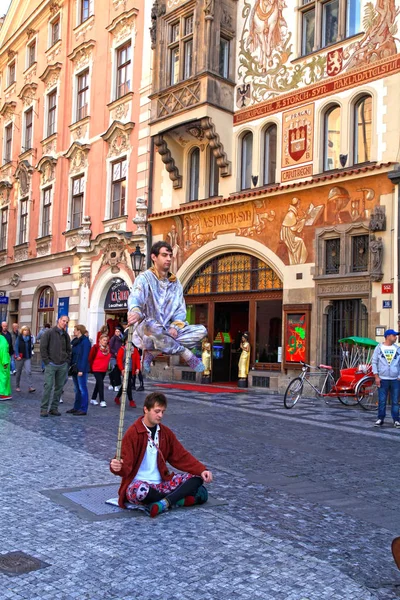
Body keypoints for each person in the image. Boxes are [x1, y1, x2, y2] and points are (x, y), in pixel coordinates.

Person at [110, 392, 212, 518]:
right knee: (140, 492)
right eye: (157, 411)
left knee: (196, 479)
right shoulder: (133, 433)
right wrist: (116, 466)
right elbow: (124, 465)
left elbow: (181, 455)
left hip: (162, 483)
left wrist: (201, 469)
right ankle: (177, 500)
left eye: (163, 412)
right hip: (139, 484)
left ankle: (163, 503)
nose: (160, 415)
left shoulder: (165, 433)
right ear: (146, 409)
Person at [127, 241, 207, 373]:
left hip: (168, 330)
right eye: (164, 255)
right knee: (151, 326)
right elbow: (136, 297)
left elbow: (180, 310)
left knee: (201, 331)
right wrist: (135, 311)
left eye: (170, 255)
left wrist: (175, 326)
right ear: (154, 257)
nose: (169, 259)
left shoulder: (176, 283)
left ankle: (152, 353)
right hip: (148, 331)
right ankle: (184, 352)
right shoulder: (144, 278)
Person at [39, 315, 71, 417]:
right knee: (48, 386)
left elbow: (68, 349)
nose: (64, 323)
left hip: (62, 365)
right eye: (63, 321)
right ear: (59, 320)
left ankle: (54, 408)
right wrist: (47, 361)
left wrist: (67, 361)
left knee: (59, 388)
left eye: (66, 322)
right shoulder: (49, 333)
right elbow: (43, 348)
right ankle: (44, 409)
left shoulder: (66, 335)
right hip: (51, 364)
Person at [371, 329, 400, 428]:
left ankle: (396, 420)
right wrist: (376, 376)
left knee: (395, 401)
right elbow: (374, 362)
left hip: (395, 379)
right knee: (382, 400)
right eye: (394, 335)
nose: (396, 337)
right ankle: (380, 418)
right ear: (387, 336)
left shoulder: (397, 349)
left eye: (396, 335)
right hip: (383, 379)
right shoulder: (379, 348)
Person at [66, 324, 92, 416]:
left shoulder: (85, 342)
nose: (74, 331)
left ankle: (83, 408)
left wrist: (81, 369)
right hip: (74, 367)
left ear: (79, 331)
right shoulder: (76, 341)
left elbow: (85, 357)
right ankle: (76, 407)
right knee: (77, 389)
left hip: (81, 368)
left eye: (75, 330)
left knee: (82, 388)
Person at [115, 338, 140, 408]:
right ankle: (131, 400)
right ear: (125, 342)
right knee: (128, 384)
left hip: (131, 370)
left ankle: (117, 397)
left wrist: (138, 368)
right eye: (127, 341)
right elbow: (119, 360)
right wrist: (122, 369)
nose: (128, 342)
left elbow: (137, 359)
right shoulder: (122, 349)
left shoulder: (134, 350)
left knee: (125, 385)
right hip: (124, 370)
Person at [89, 333, 111, 407]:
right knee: (101, 383)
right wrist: (91, 368)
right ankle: (102, 400)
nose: (105, 341)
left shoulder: (108, 348)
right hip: (96, 368)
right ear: (100, 340)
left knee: (98, 384)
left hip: (103, 369)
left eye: (106, 340)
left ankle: (93, 398)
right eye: (104, 340)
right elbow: (90, 358)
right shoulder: (95, 347)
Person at [14, 326, 35, 393]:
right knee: (19, 372)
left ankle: (30, 387)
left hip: (27, 357)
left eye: (27, 330)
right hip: (20, 357)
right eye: (25, 330)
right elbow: (16, 347)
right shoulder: (19, 338)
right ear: (22, 331)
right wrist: (17, 355)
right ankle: (17, 386)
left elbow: (31, 346)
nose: (26, 331)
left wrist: (31, 352)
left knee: (28, 371)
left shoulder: (29, 339)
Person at [109, 325, 124, 392]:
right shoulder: (113, 338)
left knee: (117, 371)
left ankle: (116, 384)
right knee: (114, 370)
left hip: (120, 357)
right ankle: (113, 384)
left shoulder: (121, 338)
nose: (117, 333)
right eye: (116, 331)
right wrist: (115, 352)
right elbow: (110, 347)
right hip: (113, 357)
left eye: (118, 331)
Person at [0, 333, 11, 400]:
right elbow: (4, 350)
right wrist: (5, 362)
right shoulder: (2, 339)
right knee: (3, 377)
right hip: (2, 362)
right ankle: (2, 393)